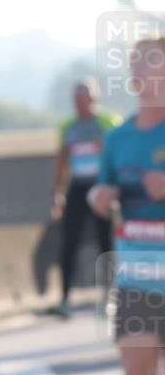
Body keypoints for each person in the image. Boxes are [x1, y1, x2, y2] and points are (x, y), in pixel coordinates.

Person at [88, 37, 165, 375]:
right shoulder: (117, 138)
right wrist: (99, 195)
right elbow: (100, 186)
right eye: (135, 65)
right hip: (137, 280)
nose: (139, 73)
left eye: (150, 65)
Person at [49, 79, 121, 318]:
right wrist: (57, 194)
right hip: (78, 189)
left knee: (105, 243)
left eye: (86, 96)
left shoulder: (108, 122)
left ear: (95, 98)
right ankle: (64, 299)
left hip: (101, 188)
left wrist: (117, 189)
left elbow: (120, 155)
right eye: (77, 97)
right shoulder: (67, 127)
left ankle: (109, 296)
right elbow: (61, 162)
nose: (81, 102)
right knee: (68, 242)